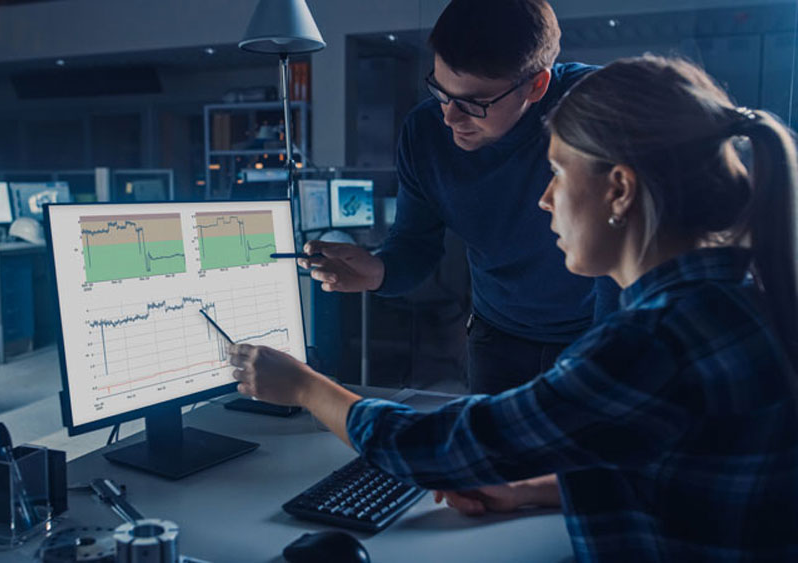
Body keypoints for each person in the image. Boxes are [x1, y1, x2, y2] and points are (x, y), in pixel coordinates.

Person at [230, 56, 798, 560]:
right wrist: (533, 491)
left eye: (557, 173)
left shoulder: (653, 342)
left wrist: (304, 386)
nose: (544, 200)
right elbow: (670, 471)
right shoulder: (742, 292)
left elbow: (435, 450)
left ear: (620, 190)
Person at [302, 0, 619, 395]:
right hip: (497, 337)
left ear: (536, 85)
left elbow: (626, 245)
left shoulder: (601, 107)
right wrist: (379, 271)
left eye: (474, 102)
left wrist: (612, 353)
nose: (450, 117)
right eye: (440, 90)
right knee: (492, 453)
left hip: (598, 331)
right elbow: (414, 243)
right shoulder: (425, 132)